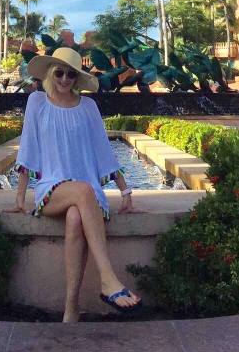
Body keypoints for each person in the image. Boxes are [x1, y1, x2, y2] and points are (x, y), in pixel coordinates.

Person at [9, 46, 142, 322]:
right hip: (52, 188)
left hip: (88, 195)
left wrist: (125, 189)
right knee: (83, 190)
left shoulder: (88, 107)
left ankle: (71, 309)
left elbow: (103, 151)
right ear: (50, 73)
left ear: (77, 78)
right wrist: (20, 198)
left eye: (71, 74)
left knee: (75, 217)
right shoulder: (37, 102)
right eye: (59, 73)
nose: (65, 79)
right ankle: (108, 279)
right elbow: (28, 148)